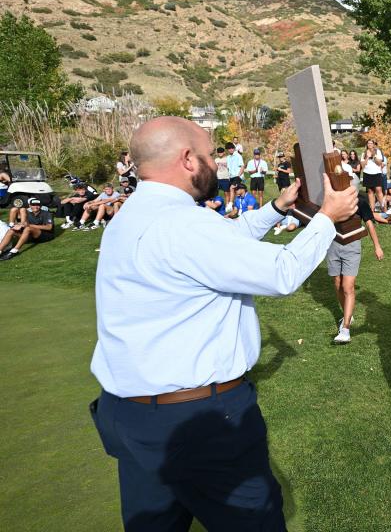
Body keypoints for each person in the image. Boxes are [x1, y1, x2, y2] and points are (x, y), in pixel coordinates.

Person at [89, 116, 358, 530]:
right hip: (198, 422)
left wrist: (277, 208)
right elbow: (282, 273)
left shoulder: (135, 214)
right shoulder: (183, 225)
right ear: (187, 160)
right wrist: (327, 216)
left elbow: (222, 240)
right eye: (211, 155)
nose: (216, 164)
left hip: (129, 416)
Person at [330, 195, 385, 344]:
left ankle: (345, 329)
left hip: (352, 247)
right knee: (337, 283)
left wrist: (377, 246)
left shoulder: (360, 202)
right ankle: (348, 314)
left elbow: (369, 224)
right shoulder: (331, 199)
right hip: (333, 245)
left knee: (348, 286)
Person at [361, 139, 386, 213]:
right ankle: (372, 209)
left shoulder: (378, 152)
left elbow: (379, 163)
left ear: (374, 144)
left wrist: (374, 156)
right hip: (367, 173)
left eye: (371, 143)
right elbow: (362, 165)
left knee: (379, 190)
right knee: (370, 191)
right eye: (368, 143)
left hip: (376, 173)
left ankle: (383, 208)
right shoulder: (364, 153)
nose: (370, 144)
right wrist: (367, 157)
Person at [224, 142, 244, 209]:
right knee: (235, 192)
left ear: (234, 148)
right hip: (231, 176)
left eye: (231, 148)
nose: (230, 150)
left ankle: (230, 204)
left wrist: (238, 176)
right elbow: (228, 168)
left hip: (237, 176)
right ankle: (236, 206)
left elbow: (242, 167)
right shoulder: (228, 157)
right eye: (228, 149)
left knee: (232, 188)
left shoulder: (238, 156)